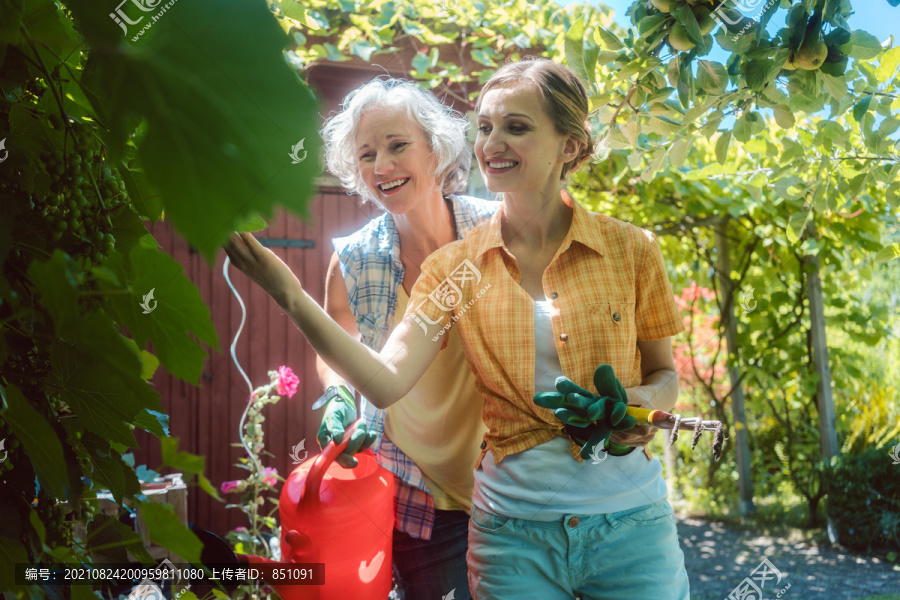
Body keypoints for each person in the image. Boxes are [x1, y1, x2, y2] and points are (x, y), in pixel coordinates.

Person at [224, 59, 690, 599]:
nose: (493, 142)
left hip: (628, 520)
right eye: (486, 127)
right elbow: (383, 377)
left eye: (516, 126)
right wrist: (291, 298)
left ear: (569, 145)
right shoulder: (459, 266)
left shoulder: (630, 250)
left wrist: (638, 405)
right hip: (494, 516)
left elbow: (664, 377)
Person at [303, 78, 496, 599]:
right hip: (418, 491)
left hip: (511, 484)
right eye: (367, 155)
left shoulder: (495, 235)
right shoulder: (353, 259)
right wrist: (338, 397)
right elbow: (337, 350)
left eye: (396, 145)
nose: (381, 166)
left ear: (436, 147)